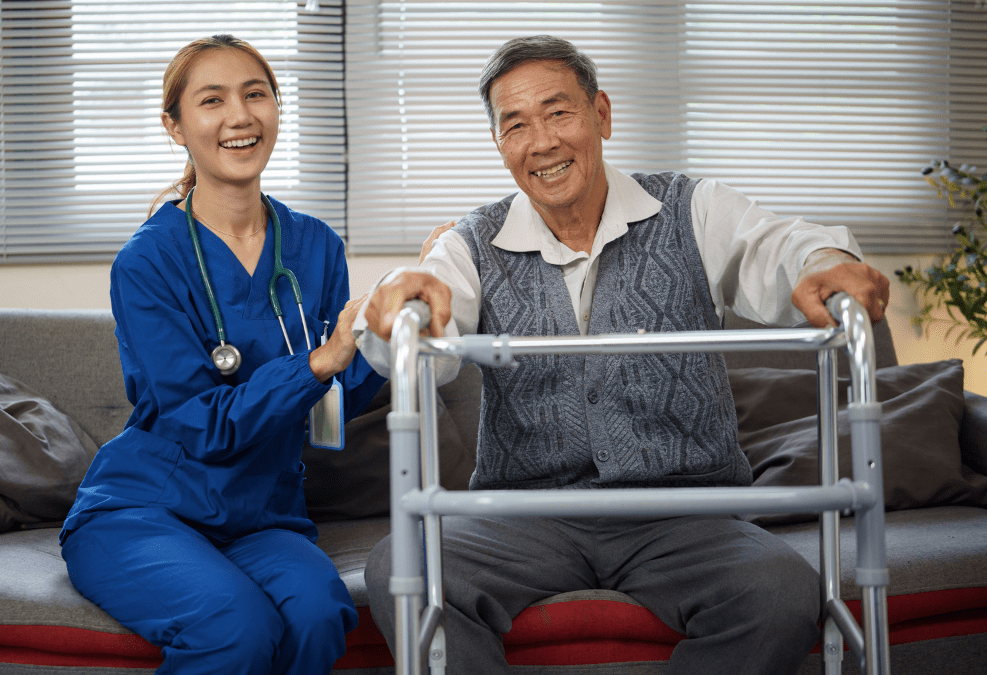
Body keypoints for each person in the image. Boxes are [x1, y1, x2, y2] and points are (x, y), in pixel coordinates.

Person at [358, 35, 890, 674]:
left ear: (601, 114)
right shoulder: (470, 240)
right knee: (399, 564)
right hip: (525, 516)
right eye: (516, 125)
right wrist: (403, 299)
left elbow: (779, 246)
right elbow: (424, 331)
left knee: (780, 592)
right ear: (500, 144)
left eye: (559, 113)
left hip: (685, 515)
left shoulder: (691, 207)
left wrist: (824, 261)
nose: (543, 142)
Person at [59, 34, 386, 675]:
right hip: (144, 511)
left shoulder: (316, 246)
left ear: (277, 110)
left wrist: (385, 334)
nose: (240, 117)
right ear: (175, 127)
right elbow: (202, 422)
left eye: (255, 94)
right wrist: (318, 363)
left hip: (262, 517)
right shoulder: (147, 262)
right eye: (212, 100)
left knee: (321, 613)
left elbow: (333, 409)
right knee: (235, 626)